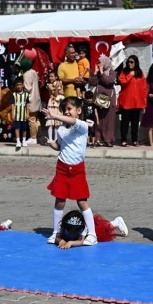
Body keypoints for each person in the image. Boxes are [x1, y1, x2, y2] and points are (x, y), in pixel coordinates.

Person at [42, 96, 97, 244]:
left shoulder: (82, 125)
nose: (66, 112)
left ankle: (92, 234)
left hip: (77, 169)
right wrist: (50, 143)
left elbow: (72, 121)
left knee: (82, 201)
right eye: (64, 109)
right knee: (59, 201)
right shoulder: (60, 129)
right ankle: (56, 232)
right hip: (62, 167)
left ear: (78, 111)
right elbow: (59, 147)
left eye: (69, 109)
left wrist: (54, 115)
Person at [51, 210, 128, 249]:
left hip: (93, 231)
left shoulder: (83, 228)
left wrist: (70, 243)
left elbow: (81, 241)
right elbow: (57, 236)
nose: (71, 232)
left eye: (74, 230)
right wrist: (60, 241)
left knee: (104, 229)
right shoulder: (64, 226)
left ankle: (116, 222)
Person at [117, 55, 147, 147]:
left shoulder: (140, 73)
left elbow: (144, 87)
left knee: (135, 123)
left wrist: (144, 101)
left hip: (137, 103)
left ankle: (134, 140)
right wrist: (130, 75)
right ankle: (124, 140)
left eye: (132, 62)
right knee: (125, 123)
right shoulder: (124, 72)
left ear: (136, 63)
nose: (130, 64)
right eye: (129, 62)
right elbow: (122, 82)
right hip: (126, 102)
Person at [89, 55, 117, 147]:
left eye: (100, 62)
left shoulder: (112, 72)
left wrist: (102, 72)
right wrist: (96, 72)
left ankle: (108, 139)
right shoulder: (99, 73)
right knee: (98, 119)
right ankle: (98, 139)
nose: (99, 64)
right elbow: (92, 82)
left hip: (109, 99)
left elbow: (108, 82)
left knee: (109, 120)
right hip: (99, 99)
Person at [21, 58, 41, 145]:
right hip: (37, 98)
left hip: (30, 99)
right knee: (36, 119)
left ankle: (33, 137)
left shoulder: (26, 74)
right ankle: (38, 136)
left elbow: (27, 88)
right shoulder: (34, 72)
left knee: (31, 119)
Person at [10, 77, 29, 148]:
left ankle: (24, 141)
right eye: (17, 85)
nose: (19, 86)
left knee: (24, 129)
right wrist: (13, 114)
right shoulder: (14, 95)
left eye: (20, 84)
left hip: (23, 115)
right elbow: (12, 105)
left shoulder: (26, 95)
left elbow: (27, 105)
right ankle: (18, 141)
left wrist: (27, 114)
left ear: (23, 85)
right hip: (17, 115)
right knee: (17, 128)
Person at [45, 73, 64, 142]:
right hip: (51, 104)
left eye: (52, 76)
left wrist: (59, 86)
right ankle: (50, 139)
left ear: (56, 77)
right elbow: (55, 94)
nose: (50, 78)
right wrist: (57, 87)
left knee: (57, 122)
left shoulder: (59, 84)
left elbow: (62, 92)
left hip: (58, 104)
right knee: (50, 121)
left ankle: (56, 138)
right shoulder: (49, 85)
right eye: (49, 76)